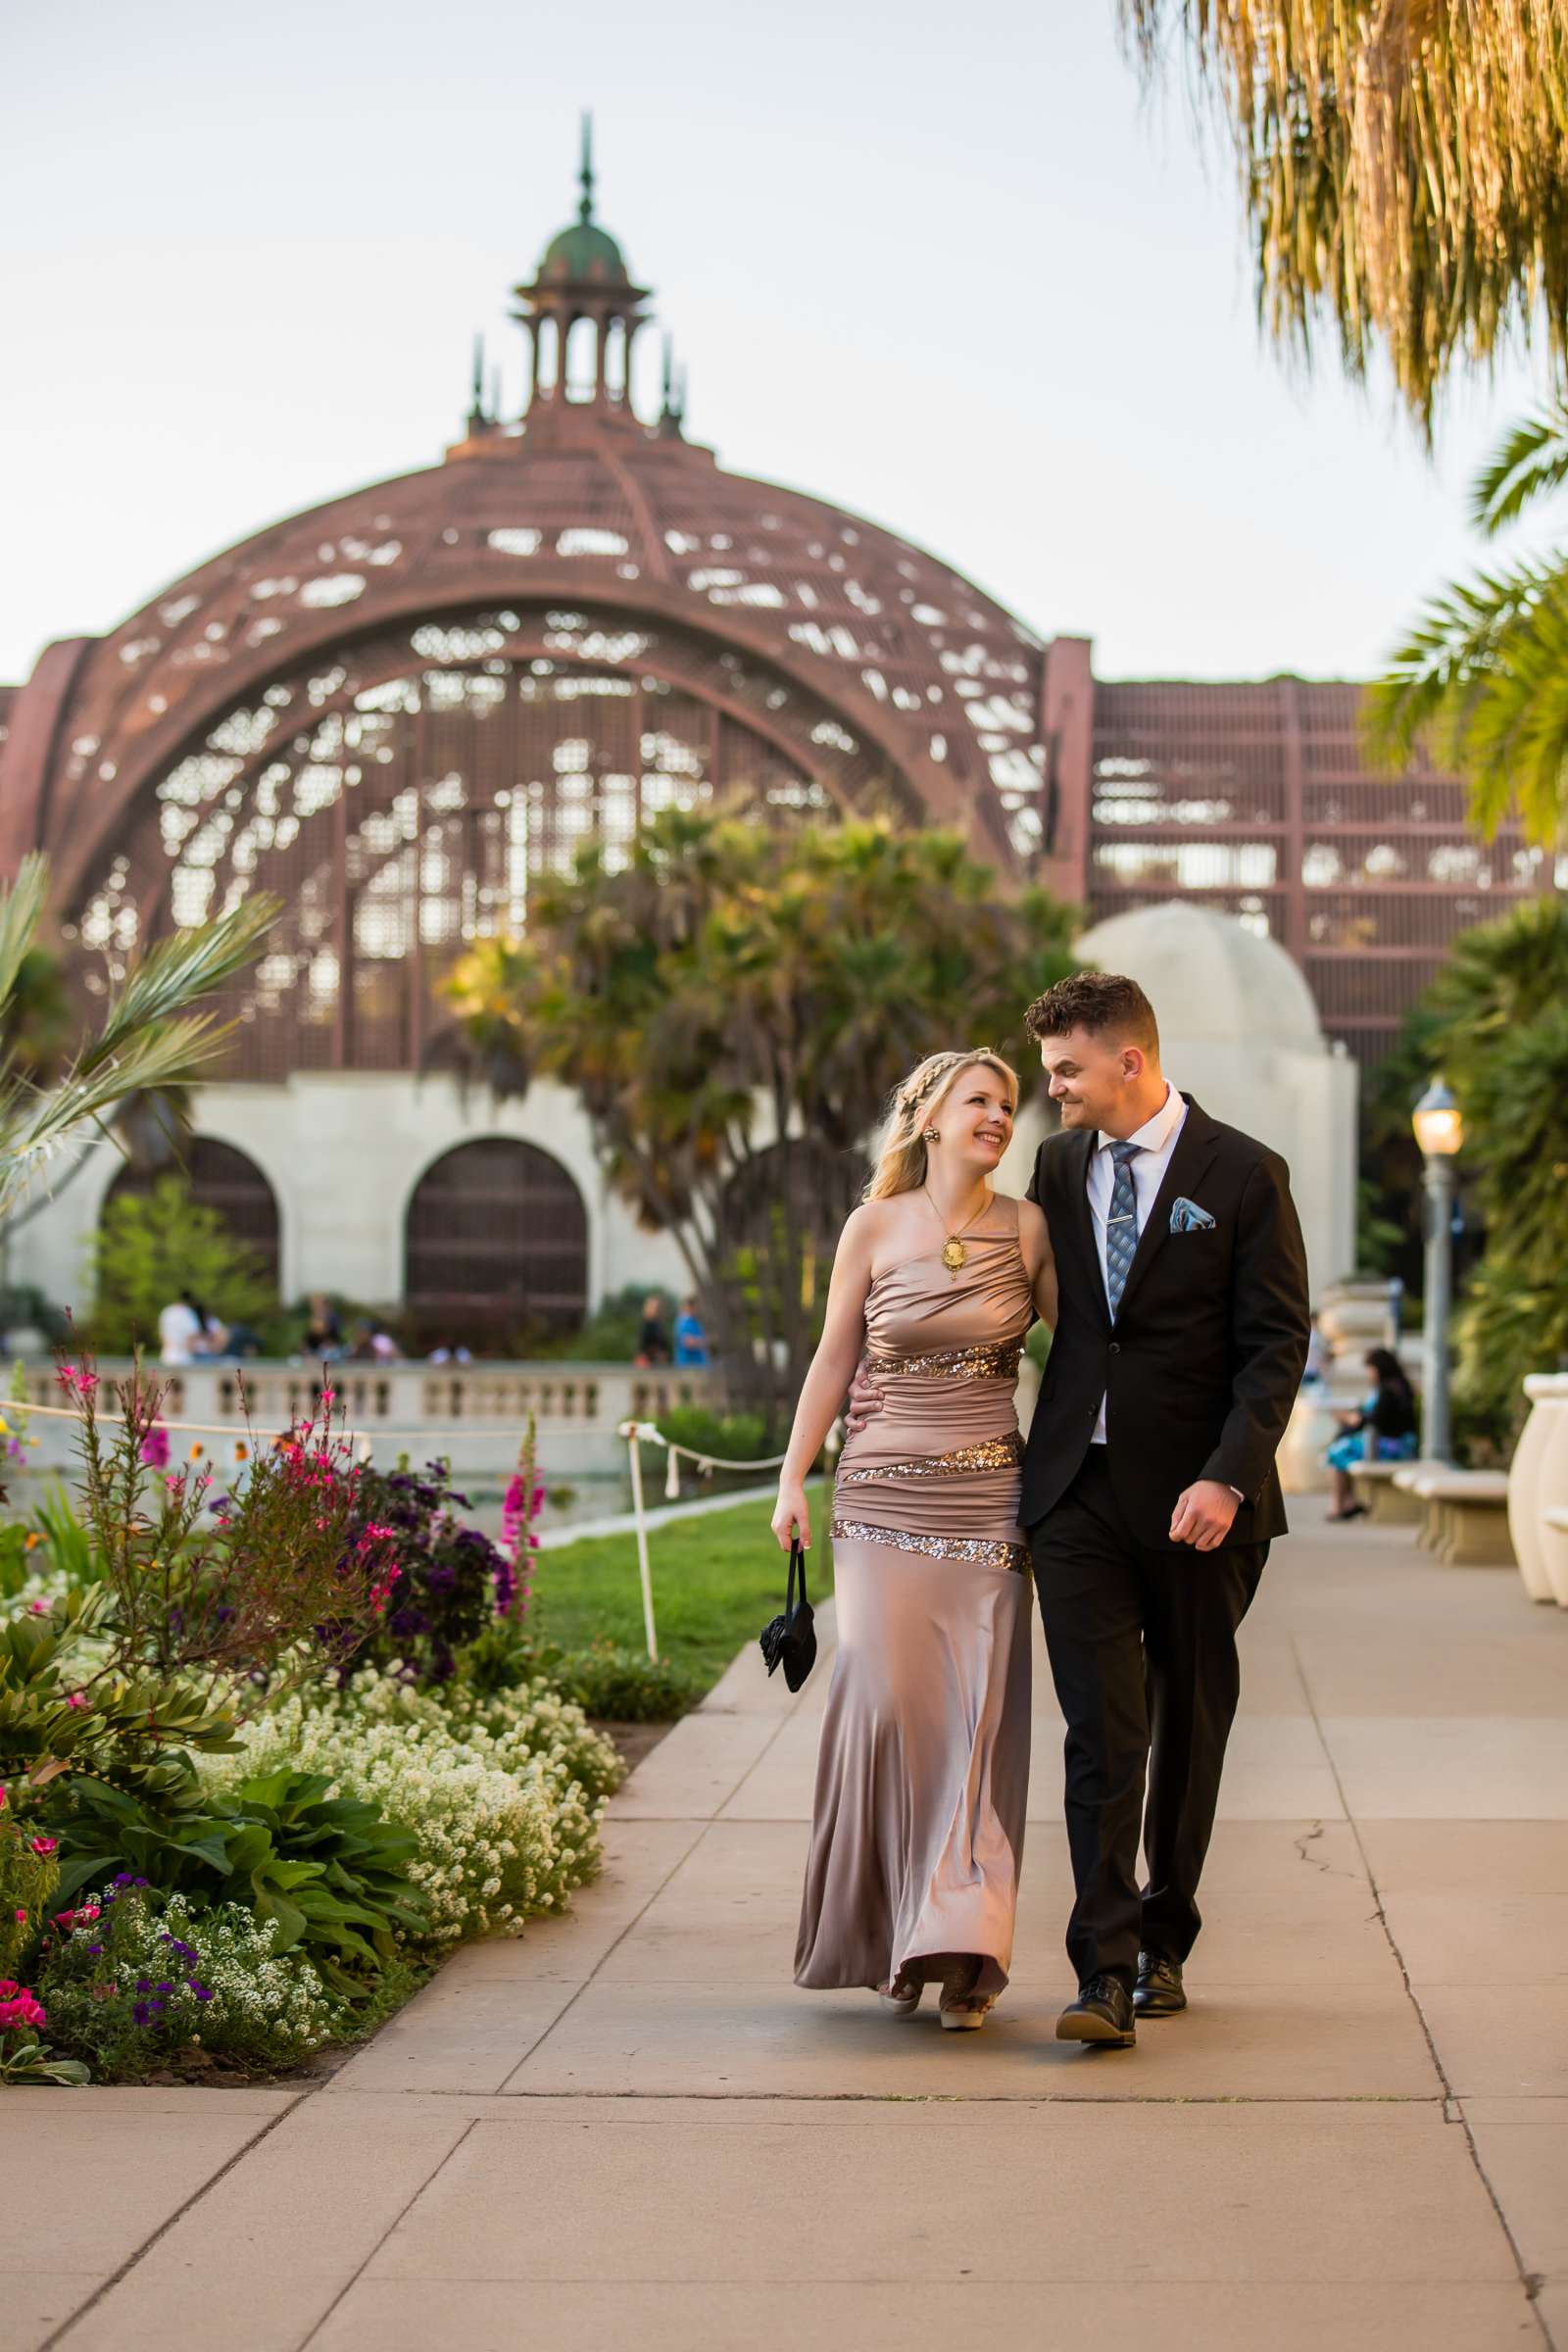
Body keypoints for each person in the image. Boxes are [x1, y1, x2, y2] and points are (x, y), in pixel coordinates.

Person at [850, 972, 1310, 2052]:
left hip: (1204, 1502)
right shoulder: (1060, 1169)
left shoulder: (1243, 1174)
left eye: (1064, 1071)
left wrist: (1227, 1474)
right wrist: (895, 1369)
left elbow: (1274, 1345)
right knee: (1103, 1734)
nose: (1048, 1095)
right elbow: (993, 1282)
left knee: (1188, 1722)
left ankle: (1164, 1937)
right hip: (1073, 1496)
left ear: (1129, 1063)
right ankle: (1100, 1969)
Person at [774, 1051, 1057, 2032]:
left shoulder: (1027, 1230)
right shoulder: (873, 1226)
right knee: (892, 1706)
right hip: (877, 1498)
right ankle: (902, 1928)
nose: (996, 1115)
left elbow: (1094, 1351)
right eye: (978, 1099)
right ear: (930, 1117)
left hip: (987, 1502)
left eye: (1008, 1105)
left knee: (974, 1722)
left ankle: (966, 1954)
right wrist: (790, 1479)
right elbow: (831, 1359)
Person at [1325, 1347, 1417, 1520]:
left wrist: (1354, 1419)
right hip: (1397, 1443)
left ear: (1379, 1368)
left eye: (1370, 1368)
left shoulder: (1388, 1390)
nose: (1368, 1373)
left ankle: (1339, 1506)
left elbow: (1376, 1419)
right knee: (1341, 1450)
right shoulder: (1398, 1385)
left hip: (1393, 1446)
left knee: (1336, 1452)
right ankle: (1348, 1502)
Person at [157, 1290, 203, 1368]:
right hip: (184, 1356)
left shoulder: (166, 1311)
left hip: (168, 1354)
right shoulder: (187, 1312)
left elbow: (162, 1335)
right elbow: (193, 1335)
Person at [635, 1295, 670, 1367]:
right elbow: (642, 1346)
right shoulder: (646, 1325)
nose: (656, 1309)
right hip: (647, 1363)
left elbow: (664, 1344)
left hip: (658, 1363)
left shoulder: (659, 1324)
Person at [672, 1298, 709, 1366]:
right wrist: (703, 1341)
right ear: (689, 1307)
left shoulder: (694, 1321)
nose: (697, 1310)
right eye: (695, 1307)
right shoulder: (683, 1322)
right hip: (688, 1366)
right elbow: (687, 1342)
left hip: (698, 1366)